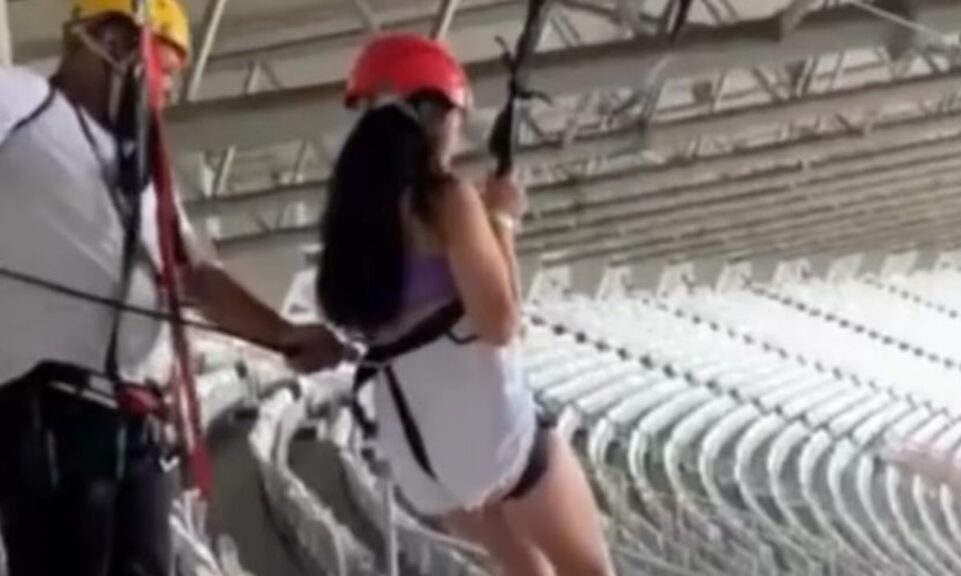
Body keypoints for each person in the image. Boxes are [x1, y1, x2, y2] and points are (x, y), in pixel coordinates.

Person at [0, 1, 350, 575]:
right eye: (162, 72)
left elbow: (194, 275)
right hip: (51, 420)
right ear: (112, 41)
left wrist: (282, 333)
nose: (160, 96)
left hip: (136, 430)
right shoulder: (19, 103)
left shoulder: (139, 172)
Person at [317, 34, 616, 576]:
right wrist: (501, 221)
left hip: (422, 462)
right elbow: (501, 322)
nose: (458, 133)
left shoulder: (352, 220)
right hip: (490, 434)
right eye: (455, 116)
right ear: (430, 113)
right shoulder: (446, 198)